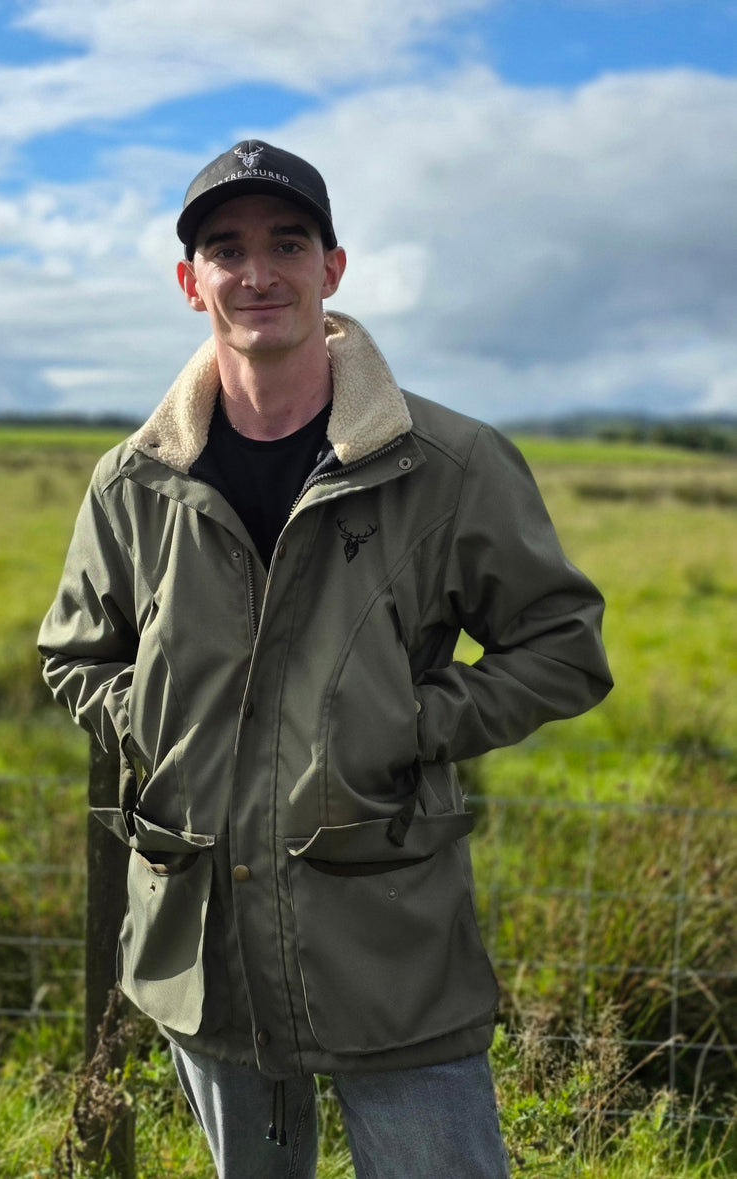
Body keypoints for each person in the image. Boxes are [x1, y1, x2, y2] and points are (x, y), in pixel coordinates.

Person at [38, 139, 613, 1178]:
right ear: (190, 282)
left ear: (332, 268)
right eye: (227, 249)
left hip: (388, 939)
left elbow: (563, 647)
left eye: (288, 243)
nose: (257, 272)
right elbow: (76, 654)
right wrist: (161, 724)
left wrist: (414, 720)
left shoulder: (448, 464)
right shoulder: (132, 483)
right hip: (205, 939)